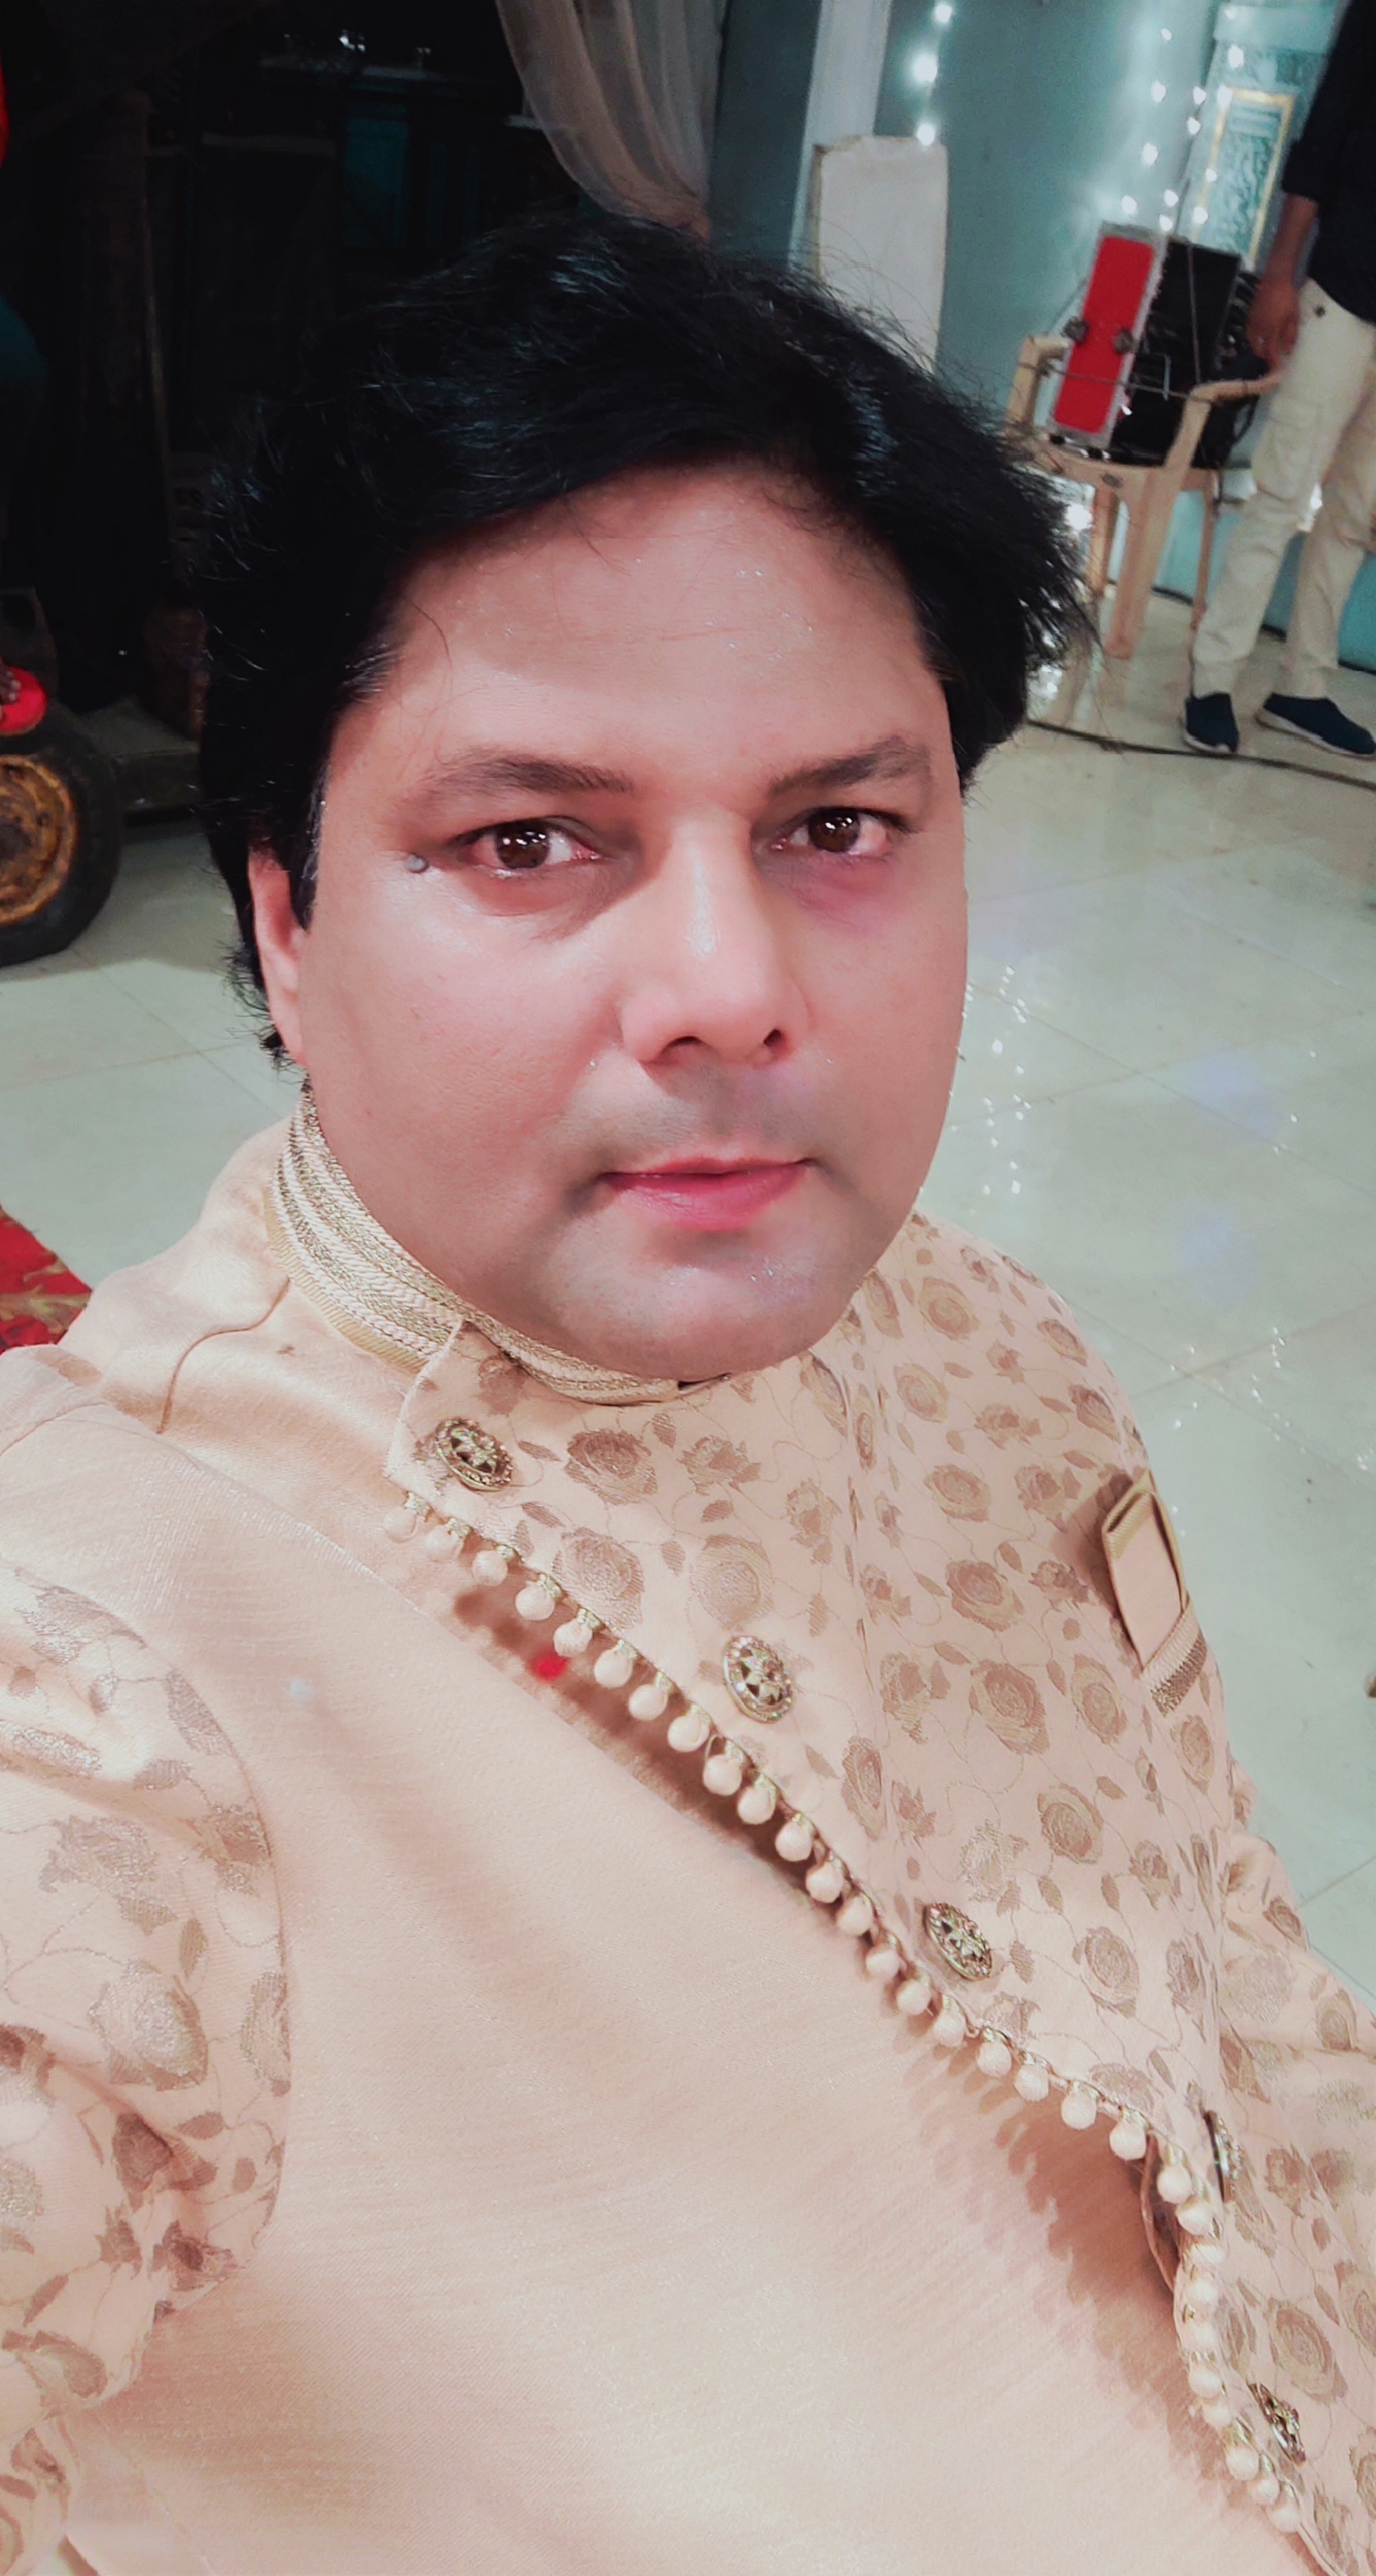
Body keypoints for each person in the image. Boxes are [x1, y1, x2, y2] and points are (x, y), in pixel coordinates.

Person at [0, 214, 1371, 2576]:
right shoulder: (114, 1679)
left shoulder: (985, 1329)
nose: (727, 985)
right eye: (529, 839)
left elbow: (1228, 1955)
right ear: (285, 924)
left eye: (835, 827)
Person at [1183, 0, 1376, 756]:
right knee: (1281, 491)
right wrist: (1278, 272)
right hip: (1344, 286)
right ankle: (1210, 679)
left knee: (1354, 513)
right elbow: (1324, 135)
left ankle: (1303, 689)